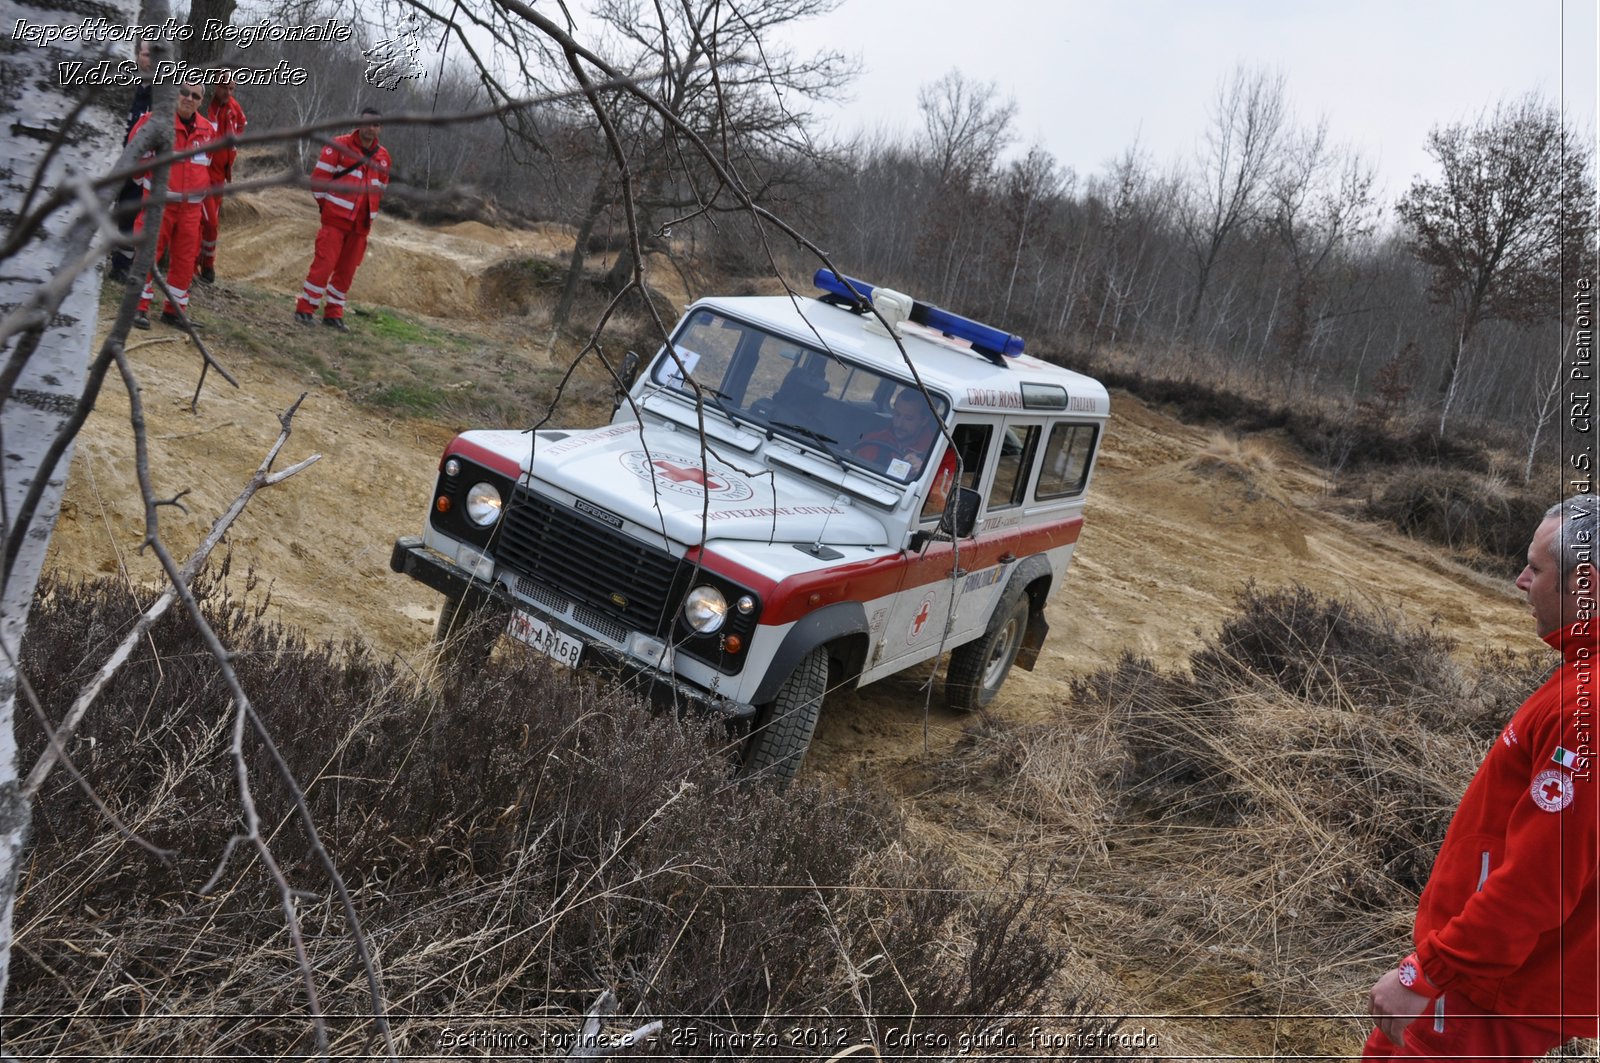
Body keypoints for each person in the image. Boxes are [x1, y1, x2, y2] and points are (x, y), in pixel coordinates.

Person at [1363, 495, 1600, 1061]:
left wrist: (1429, 972)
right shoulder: (1581, 676)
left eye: (1536, 568)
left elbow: (1539, 880)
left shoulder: (1588, 708)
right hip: (1487, 979)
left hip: (1488, 993)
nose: (1521, 581)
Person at [127, 77, 217, 331]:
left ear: (201, 101)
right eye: (184, 92)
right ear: (176, 93)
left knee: (185, 259)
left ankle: (174, 311)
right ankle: (137, 306)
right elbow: (135, 155)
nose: (188, 98)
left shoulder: (207, 130)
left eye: (195, 95)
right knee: (147, 253)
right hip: (159, 204)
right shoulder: (156, 121)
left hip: (191, 209)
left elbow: (208, 164)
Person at [294, 108, 391, 332]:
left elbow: (381, 188)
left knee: (347, 271)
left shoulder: (384, 156)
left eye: (376, 125)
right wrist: (326, 206)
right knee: (324, 264)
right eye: (367, 123)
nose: (371, 128)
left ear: (380, 128)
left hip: (361, 225)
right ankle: (305, 308)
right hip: (336, 220)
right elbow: (319, 180)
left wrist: (370, 212)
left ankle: (334, 314)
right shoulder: (338, 144)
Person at [107, 40, 154, 282]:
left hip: (139, 165)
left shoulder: (161, 93)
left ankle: (121, 264)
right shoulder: (122, 84)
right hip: (111, 158)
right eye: (146, 54)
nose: (150, 59)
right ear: (137, 55)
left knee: (132, 211)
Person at [196, 71, 246, 285]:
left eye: (231, 88)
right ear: (215, 85)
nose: (227, 92)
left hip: (219, 176)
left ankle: (206, 264)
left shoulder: (234, 107)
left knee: (210, 223)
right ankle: (197, 265)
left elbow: (242, 124)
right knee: (207, 221)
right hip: (202, 173)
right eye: (223, 86)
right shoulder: (207, 105)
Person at [854, 389, 939, 477]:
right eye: (897, 414)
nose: (899, 423)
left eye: (908, 418)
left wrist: (924, 473)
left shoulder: (935, 452)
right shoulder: (873, 439)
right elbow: (853, 470)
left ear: (924, 421)